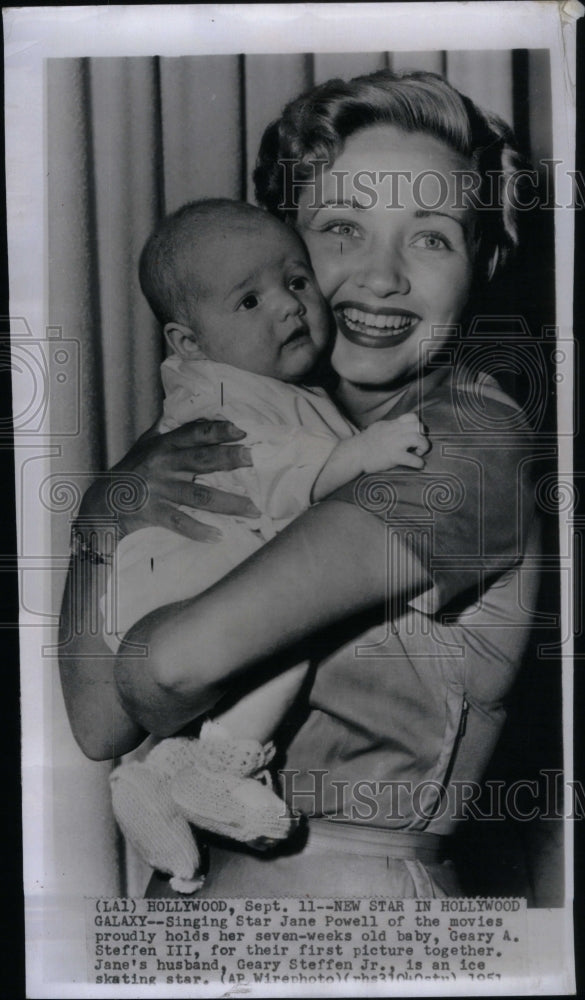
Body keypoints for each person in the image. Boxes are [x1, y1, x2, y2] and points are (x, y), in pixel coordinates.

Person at [59, 69, 541, 899]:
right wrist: (105, 516)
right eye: (341, 227)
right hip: (183, 918)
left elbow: (162, 672)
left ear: (482, 263)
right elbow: (98, 724)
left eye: (431, 237)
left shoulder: (472, 441)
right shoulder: (250, 417)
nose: (382, 277)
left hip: (362, 922)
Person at [105, 197, 428, 892]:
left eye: (295, 282)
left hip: (184, 580)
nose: (286, 306)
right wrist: (364, 452)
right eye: (249, 301)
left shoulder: (265, 384)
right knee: (291, 621)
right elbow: (268, 463)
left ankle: (158, 777)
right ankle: (219, 764)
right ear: (188, 343)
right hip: (186, 567)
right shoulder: (216, 397)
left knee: (284, 611)